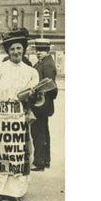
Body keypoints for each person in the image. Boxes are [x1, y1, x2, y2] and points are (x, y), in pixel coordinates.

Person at [0, 28, 39, 201]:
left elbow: (37, 96)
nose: (16, 52)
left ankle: (17, 191)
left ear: (24, 49)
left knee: (18, 153)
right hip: (1, 114)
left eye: (19, 48)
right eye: (12, 49)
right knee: (1, 153)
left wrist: (32, 100)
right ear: (8, 51)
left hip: (20, 115)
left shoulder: (31, 72)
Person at [30, 38, 58, 171]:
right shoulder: (44, 62)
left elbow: (51, 86)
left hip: (41, 105)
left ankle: (39, 161)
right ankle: (44, 160)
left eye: (42, 50)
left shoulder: (47, 65)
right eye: (37, 50)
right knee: (43, 132)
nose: (38, 53)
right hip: (42, 105)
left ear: (47, 50)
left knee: (38, 132)